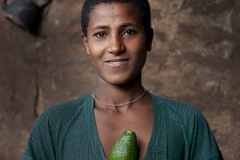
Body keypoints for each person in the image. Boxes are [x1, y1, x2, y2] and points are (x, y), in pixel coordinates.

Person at [22, 0, 224, 159]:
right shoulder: (54, 124)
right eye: (101, 34)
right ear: (86, 44)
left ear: (149, 39)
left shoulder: (186, 122)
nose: (116, 47)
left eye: (128, 32)